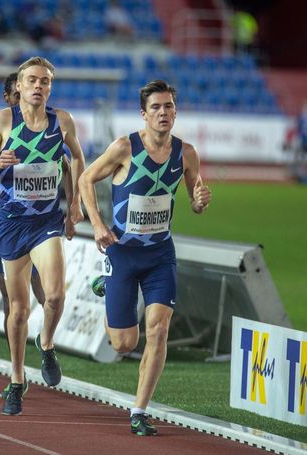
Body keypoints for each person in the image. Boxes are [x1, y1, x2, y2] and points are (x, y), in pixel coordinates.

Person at [79, 80, 212, 436]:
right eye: (156, 107)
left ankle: (139, 410)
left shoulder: (186, 154)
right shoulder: (125, 147)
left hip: (160, 255)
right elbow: (85, 179)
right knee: (124, 344)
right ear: (144, 113)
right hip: (122, 253)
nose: (164, 113)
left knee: (159, 328)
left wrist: (199, 202)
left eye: (169, 106)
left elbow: (194, 203)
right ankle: (108, 284)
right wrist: (96, 225)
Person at [0, 56, 85, 416]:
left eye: (45, 81)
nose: (39, 86)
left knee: (54, 295)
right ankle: (17, 381)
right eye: (32, 80)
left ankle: (47, 343)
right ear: (18, 86)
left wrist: (74, 204)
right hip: (9, 223)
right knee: (18, 309)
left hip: (45, 222)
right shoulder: (2, 120)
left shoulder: (62, 121)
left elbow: (76, 160)